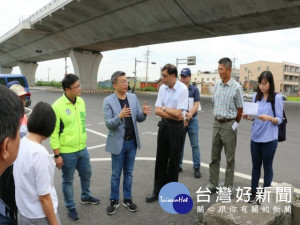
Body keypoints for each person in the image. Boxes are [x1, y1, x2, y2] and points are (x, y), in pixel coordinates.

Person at [50, 74, 99, 221]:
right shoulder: (57, 106)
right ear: (67, 89)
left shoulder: (81, 102)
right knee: (68, 181)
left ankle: (85, 196)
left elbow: (82, 124)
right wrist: (57, 155)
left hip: (82, 148)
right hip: (66, 151)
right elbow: (54, 133)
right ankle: (70, 206)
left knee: (86, 174)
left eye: (79, 85)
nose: (80, 88)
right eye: (76, 87)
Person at [103, 71, 152, 215]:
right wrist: (120, 116)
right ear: (114, 84)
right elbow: (109, 124)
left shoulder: (132, 97)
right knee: (116, 174)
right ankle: (114, 200)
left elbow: (138, 118)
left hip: (132, 143)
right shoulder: (108, 101)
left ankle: (128, 199)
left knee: (129, 173)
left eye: (126, 81)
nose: (126, 84)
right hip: (118, 143)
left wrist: (143, 113)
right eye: (122, 82)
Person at [146, 64, 188, 202]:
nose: (162, 78)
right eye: (161, 75)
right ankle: (156, 190)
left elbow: (179, 115)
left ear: (173, 76)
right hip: (163, 126)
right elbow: (157, 110)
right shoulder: (162, 88)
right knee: (161, 159)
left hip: (176, 129)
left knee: (173, 161)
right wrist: (167, 110)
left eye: (164, 76)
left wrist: (164, 108)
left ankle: (171, 193)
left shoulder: (182, 89)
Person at [13, 102, 61, 225]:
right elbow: (44, 197)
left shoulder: (22, 142)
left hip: (24, 211)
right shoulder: (39, 154)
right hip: (39, 216)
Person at [242, 71, 283, 204]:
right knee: (255, 166)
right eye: (260, 83)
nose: (262, 86)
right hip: (255, 137)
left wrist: (269, 118)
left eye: (265, 83)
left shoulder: (276, 98)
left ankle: (264, 195)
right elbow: (254, 116)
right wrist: (247, 117)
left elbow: (280, 119)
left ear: (270, 83)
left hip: (269, 139)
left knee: (267, 167)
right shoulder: (256, 97)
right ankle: (253, 193)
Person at [206, 57, 243, 194]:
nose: (219, 72)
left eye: (221, 69)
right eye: (218, 69)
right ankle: (212, 184)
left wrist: (235, 124)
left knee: (230, 159)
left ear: (229, 70)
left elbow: (240, 110)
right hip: (217, 124)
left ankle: (227, 188)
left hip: (229, 125)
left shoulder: (237, 88)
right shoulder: (217, 85)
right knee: (214, 157)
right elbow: (214, 103)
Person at [0, 83, 31, 223]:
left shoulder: (24, 116)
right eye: (20, 98)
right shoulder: (8, 118)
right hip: (8, 165)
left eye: (24, 98)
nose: (23, 101)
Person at [179, 68, 201, 178]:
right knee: (180, 144)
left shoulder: (194, 90)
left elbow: (196, 105)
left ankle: (197, 167)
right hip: (180, 120)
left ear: (189, 77)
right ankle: (178, 165)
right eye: (181, 76)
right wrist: (183, 119)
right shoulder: (177, 89)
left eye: (185, 76)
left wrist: (188, 117)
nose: (183, 78)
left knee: (195, 145)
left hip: (192, 120)